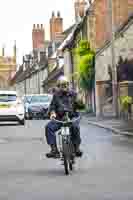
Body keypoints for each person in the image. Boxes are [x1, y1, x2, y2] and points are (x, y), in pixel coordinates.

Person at [45, 76, 82, 158]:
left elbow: (81, 106)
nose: (65, 86)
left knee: (75, 127)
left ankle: (76, 148)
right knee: (48, 127)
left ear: (68, 85)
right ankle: (54, 150)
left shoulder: (74, 94)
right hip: (59, 119)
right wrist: (52, 113)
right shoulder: (56, 96)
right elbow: (52, 106)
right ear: (58, 86)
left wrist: (80, 105)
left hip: (71, 118)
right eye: (62, 85)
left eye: (66, 84)